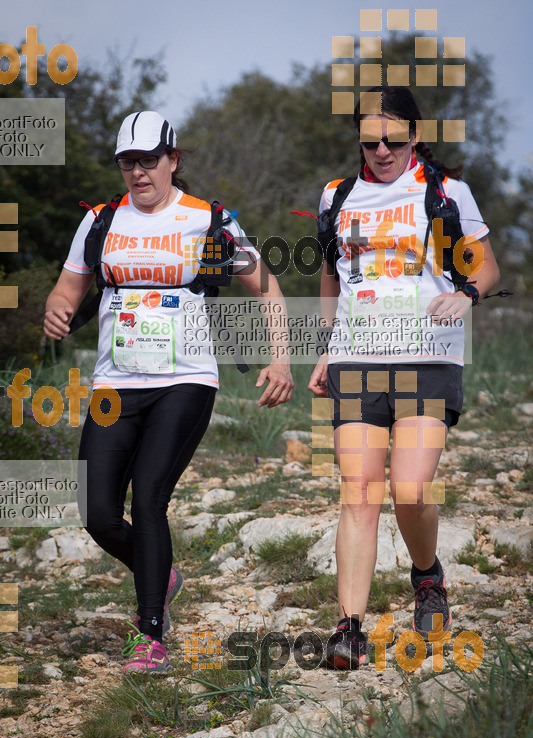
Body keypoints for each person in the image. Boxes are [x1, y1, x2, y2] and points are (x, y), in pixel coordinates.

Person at [44, 111, 293, 674]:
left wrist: (281, 357)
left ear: (173, 160)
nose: (138, 173)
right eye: (128, 162)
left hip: (185, 381)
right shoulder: (102, 221)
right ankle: (162, 572)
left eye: (148, 161)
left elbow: (266, 284)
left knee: (149, 496)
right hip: (115, 383)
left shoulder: (208, 220)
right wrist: (56, 315)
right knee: (96, 511)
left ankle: (149, 634)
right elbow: (66, 290)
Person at [308, 87, 500, 669]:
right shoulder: (337, 195)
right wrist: (324, 349)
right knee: (359, 491)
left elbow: (486, 266)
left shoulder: (444, 192)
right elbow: (332, 280)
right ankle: (348, 628)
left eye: (393, 140)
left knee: (411, 490)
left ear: (415, 136)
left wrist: (466, 295)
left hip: (427, 357)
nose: (382, 151)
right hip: (357, 358)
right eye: (370, 141)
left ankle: (427, 576)